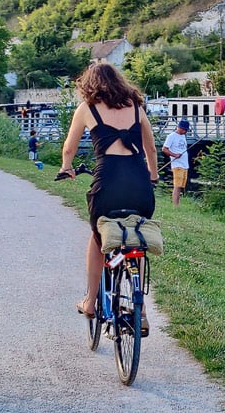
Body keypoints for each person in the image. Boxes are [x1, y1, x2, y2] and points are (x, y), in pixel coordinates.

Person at [59, 64, 158, 322]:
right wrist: (153, 176)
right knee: (137, 233)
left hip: (108, 181)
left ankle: (90, 302)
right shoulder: (137, 108)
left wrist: (66, 168)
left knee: (97, 236)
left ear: (88, 85)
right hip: (139, 184)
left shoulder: (86, 109)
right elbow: (151, 150)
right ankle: (141, 309)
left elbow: (69, 148)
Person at [162, 119, 190, 206]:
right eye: (185, 129)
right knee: (177, 186)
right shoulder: (171, 136)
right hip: (177, 165)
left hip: (185, 165)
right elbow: (164, 149)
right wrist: (174, 155)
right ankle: (175, 205)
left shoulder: (183, 136)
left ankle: (177, 203)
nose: (185, 131)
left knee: (181, 186)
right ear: (180, 128)